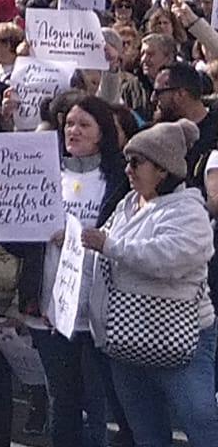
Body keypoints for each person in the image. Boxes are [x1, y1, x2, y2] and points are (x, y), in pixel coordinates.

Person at [85, 118, 218, 446]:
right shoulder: (127, 204)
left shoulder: (189, 212)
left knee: (201, 426)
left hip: (181, 342)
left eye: (136, 162)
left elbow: (168, 258)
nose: (128, 170)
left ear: (163, 170)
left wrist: (109, 245)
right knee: (146, 431)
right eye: (127, 161)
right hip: (126, 342)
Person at [22, 94, 127, 447]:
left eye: (84, 124)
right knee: (62, 401)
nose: (74, 131)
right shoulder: (41, 174)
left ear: (102, 132)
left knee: (100, 401)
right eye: (69, 124)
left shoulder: (118, 178)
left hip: (102, 309)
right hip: (52, 309)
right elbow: (14, 239)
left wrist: (78, 235)